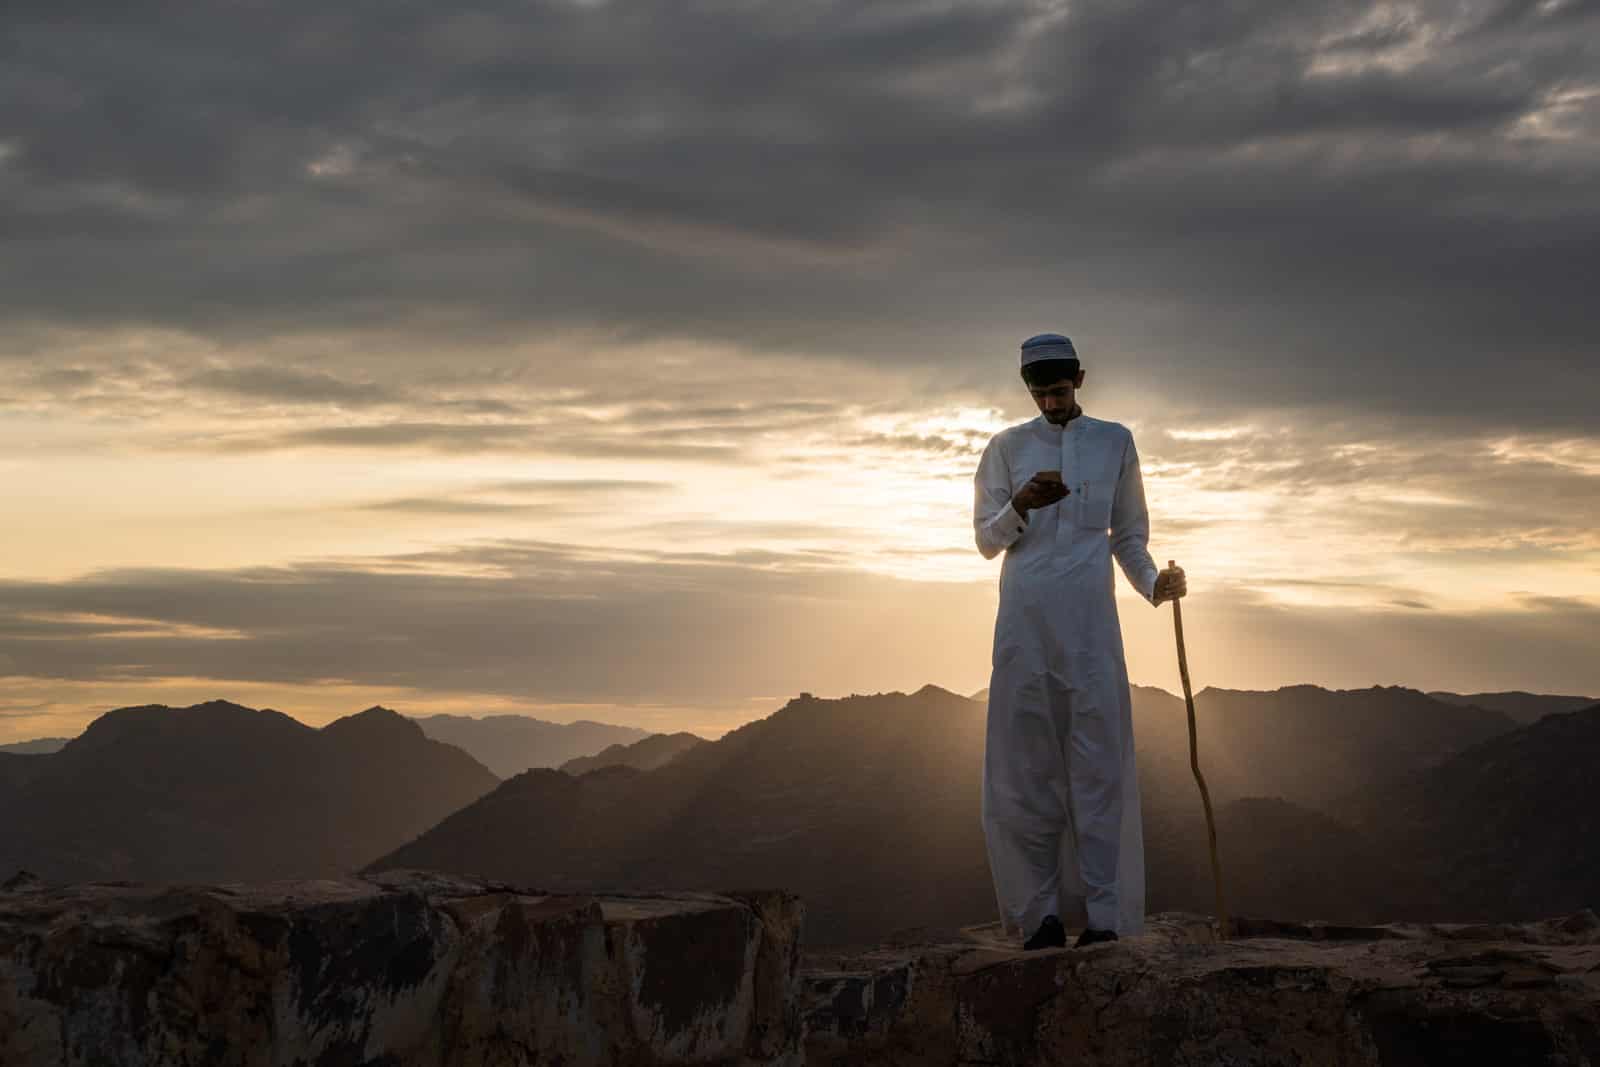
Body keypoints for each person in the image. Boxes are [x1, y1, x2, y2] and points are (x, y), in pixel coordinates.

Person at [972, 333, 1186, 950]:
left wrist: (1155, 583)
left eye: (1060, 391)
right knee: (1022, 773)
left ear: (1082, 381)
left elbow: (1129, 537)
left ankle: (1107, 920)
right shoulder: (1006, 447)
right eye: (1040, 393)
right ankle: (1035, 916)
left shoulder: (1114, 442)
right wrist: (1021, 503)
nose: (1051, 402)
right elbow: (987, 541)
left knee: (1100, 771)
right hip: (1023, 628)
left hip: (1092, 630)